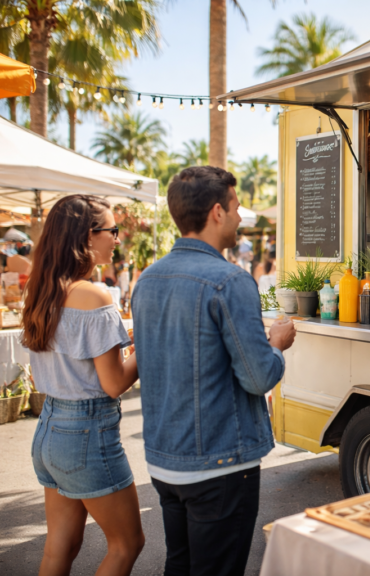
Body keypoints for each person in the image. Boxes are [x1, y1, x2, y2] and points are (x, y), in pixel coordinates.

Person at [131, 166, 296, 576]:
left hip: (164, 461)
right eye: (237, 207)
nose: (240, 217)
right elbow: (258, 377)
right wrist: (276, 344)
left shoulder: (146, 281)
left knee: (180, 566)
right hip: (219, 465)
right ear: (217, 212)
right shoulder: (230, 281)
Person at [21, 195, 144, 576]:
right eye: (112, 230)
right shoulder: (93, 294)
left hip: (49, 431)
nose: (117, 239)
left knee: (60, 546)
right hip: (86, 433)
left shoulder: (41, 291)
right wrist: (148, 345)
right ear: (87, 236)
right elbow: (114, 383)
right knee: (127, 545)